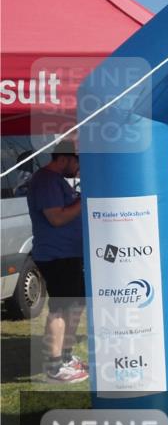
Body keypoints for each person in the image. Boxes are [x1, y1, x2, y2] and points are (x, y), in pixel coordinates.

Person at [27, 145, 88, 383]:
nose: (78, 168)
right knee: (61, 308)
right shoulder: (46, 180)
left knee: (73, 306)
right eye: (77, 161)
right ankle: (54, 366)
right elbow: (57, 217)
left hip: (67, 254)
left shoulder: (55, 180)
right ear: (64, 158)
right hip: (56, 256)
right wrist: (84, 199)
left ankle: (65, 357)